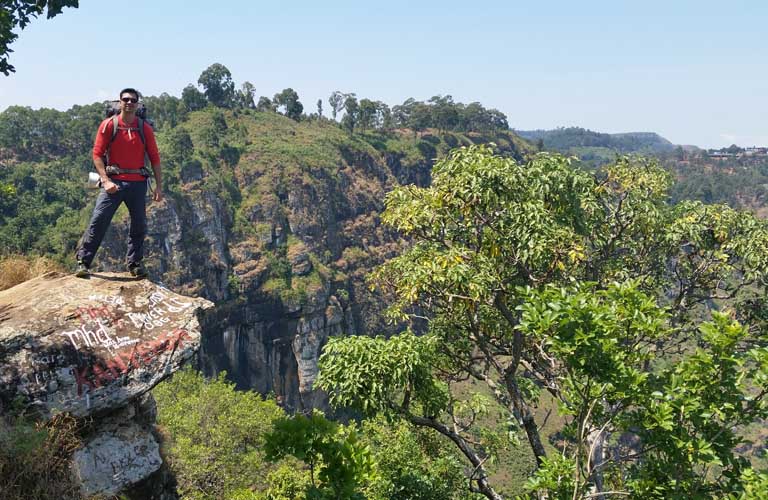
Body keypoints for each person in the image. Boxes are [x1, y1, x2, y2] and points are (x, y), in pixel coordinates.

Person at [75, 88, 163, 278]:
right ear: (120, 102)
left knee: (139, 225)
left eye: (133, 100)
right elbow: (97, 154)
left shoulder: (144, 128)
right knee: (98, 221)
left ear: (137, 104)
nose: (129, 103)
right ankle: (83, 262)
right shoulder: (109, 125)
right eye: (126, 99)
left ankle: (135, 263)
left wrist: (159, 186)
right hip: (113, 183)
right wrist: (105, 181)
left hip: (138, 183)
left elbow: (154, 157)